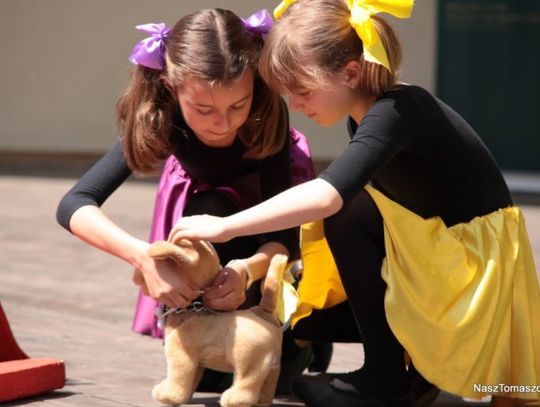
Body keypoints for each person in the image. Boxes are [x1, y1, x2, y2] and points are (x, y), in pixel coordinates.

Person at [168, 1, 540, 406]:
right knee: (313, 301)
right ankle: (403, 370)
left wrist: (227, 225)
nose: (294, 104)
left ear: (350, 72)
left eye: (302, 90)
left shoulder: (399, 111)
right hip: (438, 257)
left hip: (472, 273)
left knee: (345, 209)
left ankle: (385, 381)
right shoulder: (365, 116)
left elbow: (328, 194)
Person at [56, 8, 322, 394]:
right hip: (206, 228)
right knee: (208, 373)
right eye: (203, 109)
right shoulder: (159, 115)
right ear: (170, 87)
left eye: (238, 105)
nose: (224, 123)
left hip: (261, 239)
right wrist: (142, 257)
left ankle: (304, 342)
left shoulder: (266, 111)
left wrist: (247, 270)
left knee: (270, 369)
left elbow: (286, 232)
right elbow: (74, 202)